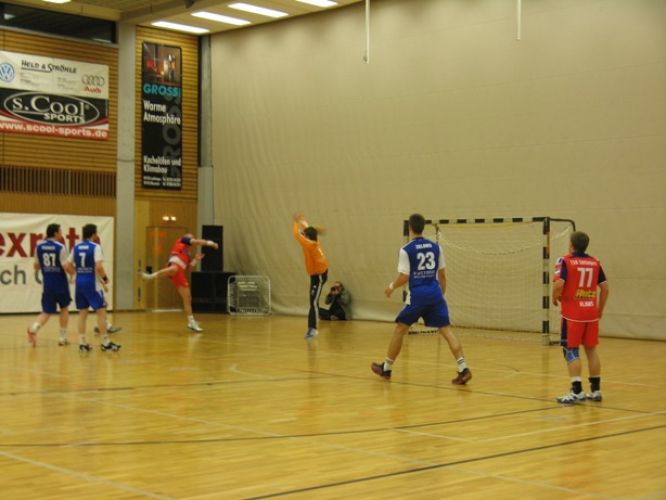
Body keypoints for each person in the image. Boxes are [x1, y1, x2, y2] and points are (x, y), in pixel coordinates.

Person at [371, 213, 471, 384]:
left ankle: (386, 368)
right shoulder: (436, 247)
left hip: (418, 295)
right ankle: (464, 368)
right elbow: (443, 276)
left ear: (410, 228)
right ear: (423, 227)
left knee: (400, 328)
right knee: (446, 330)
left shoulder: (406, 249)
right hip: (435, 293)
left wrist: (391, 286)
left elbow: (404, 276)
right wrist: (441, 296)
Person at [553, 231, 609, 404]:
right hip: (590, 313)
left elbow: (559, 284)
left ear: (571, 244)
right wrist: (600, 309)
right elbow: (605, 288)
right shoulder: (595, 262)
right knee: (591, 350)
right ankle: (596, 391)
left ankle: (577, 391)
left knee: (571, 350)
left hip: (572, 315)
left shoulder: (565, 261)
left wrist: (554, 296)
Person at [141, 233, 218, 332]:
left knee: (187, 297)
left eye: (192, 237)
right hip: (173, 265)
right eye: (190, 236)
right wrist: (211, 243)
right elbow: (197, 242)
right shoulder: (182, 240)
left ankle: (191, 322)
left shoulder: (188, 254)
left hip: (180, 274)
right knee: (174, 269)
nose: (191, 238)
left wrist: (196, 260)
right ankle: (150, 276)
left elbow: (189, 267)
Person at [69, 224, 120, 352]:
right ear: (93, 234)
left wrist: (76, 274)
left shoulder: (76, 247)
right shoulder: (95, 247)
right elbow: (99, 267)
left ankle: (82, 343)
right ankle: (105, 343)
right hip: (92, 284)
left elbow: (67, 265)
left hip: (80, 283)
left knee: (82, 314)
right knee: (101, 312)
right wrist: (105, 279)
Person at [27, 223, 75, 347]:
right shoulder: (60, 247)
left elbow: (36, 266)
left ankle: (33, 328)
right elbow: (66, 266)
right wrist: (73, 274)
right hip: (60, 283)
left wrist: (46, 267)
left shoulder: (39, 247)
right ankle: (62, 338)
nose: (61, 234)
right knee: (64, 308)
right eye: (60, 231)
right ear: (55, 233)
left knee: (47, 311)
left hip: (48, 284)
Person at [292, 212, 328, 339]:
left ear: (307, 237)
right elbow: (307, 229)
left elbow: (297, 235)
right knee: (313, 301)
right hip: (315, 274)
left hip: (319, 276)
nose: (303, 234)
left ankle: (313, 329)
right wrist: (303, 221)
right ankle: (313, 326)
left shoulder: (310, 245)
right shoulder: (312, 240)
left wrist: (296, 222)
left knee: (313, 302)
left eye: (305, 234)